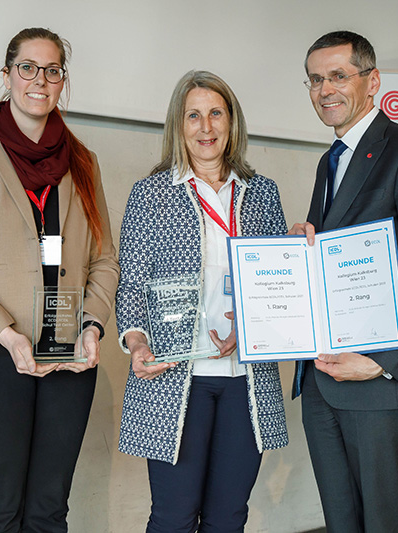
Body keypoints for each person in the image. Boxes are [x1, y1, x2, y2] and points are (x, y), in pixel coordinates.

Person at [0, 27, 119, 532]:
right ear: (7, 75)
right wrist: (7, 333)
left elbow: (104, 259)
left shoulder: (83, 161)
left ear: (62, 81)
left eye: (52, 70)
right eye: (28, 67)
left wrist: (93, 325)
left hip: (68, 357)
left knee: (49, 511)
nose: (40, 80)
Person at [289, 31, 398, 532]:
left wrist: (381, 362)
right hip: (322, 379)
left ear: (373, 80)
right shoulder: (331, 160)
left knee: (385, 524)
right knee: (343, 524)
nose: (325, 89)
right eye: (316, 79)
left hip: (376, 381)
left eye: (338, 75)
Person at [116, 70, 288, 532]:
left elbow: (278, 289)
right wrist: (136, 343)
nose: (205, 126)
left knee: (228, 517)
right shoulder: (151, 194)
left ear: (232, 123)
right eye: (194, 115)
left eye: (216, 113)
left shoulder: (262, 195)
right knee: (173, 516)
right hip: (176, 380)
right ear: (179, 124)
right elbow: (130, 285)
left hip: (246, 380)